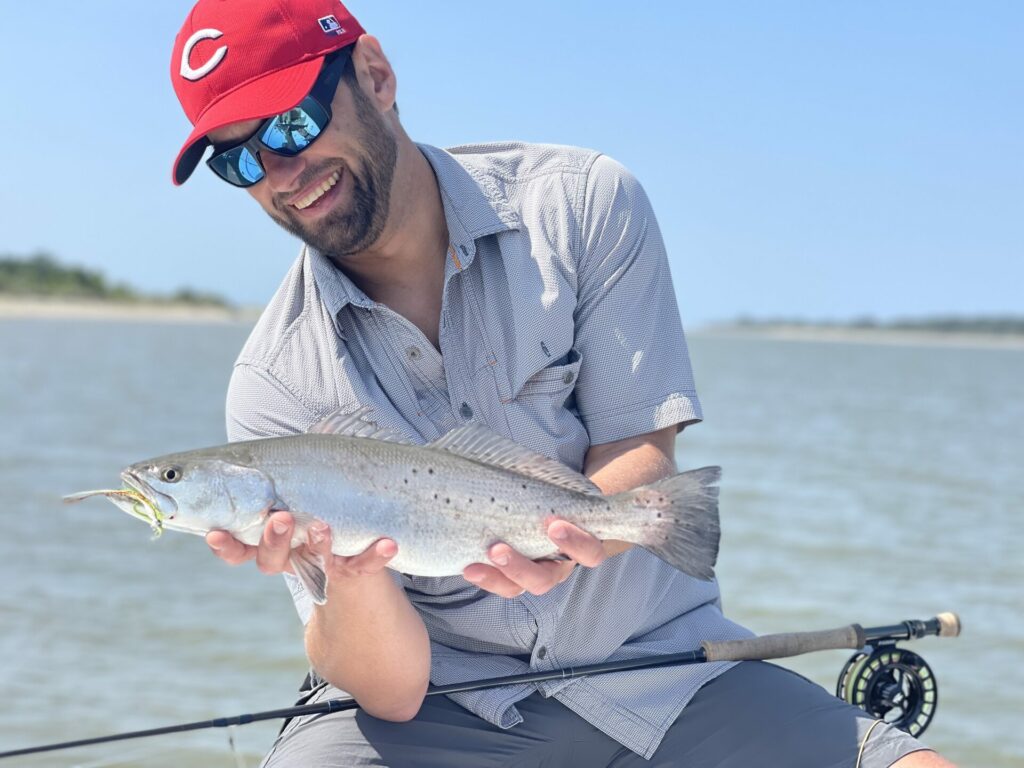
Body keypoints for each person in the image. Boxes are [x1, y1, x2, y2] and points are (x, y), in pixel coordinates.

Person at [169, 1, 956, 766]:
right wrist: (345, 568)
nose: (281, 172)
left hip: (661, 669)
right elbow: (393, 691)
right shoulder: (270, 383)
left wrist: (590, 533)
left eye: (293, 124)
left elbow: (640, 445)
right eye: (239, 160)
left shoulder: (584, 205)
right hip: (443, 711)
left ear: (375, 74)